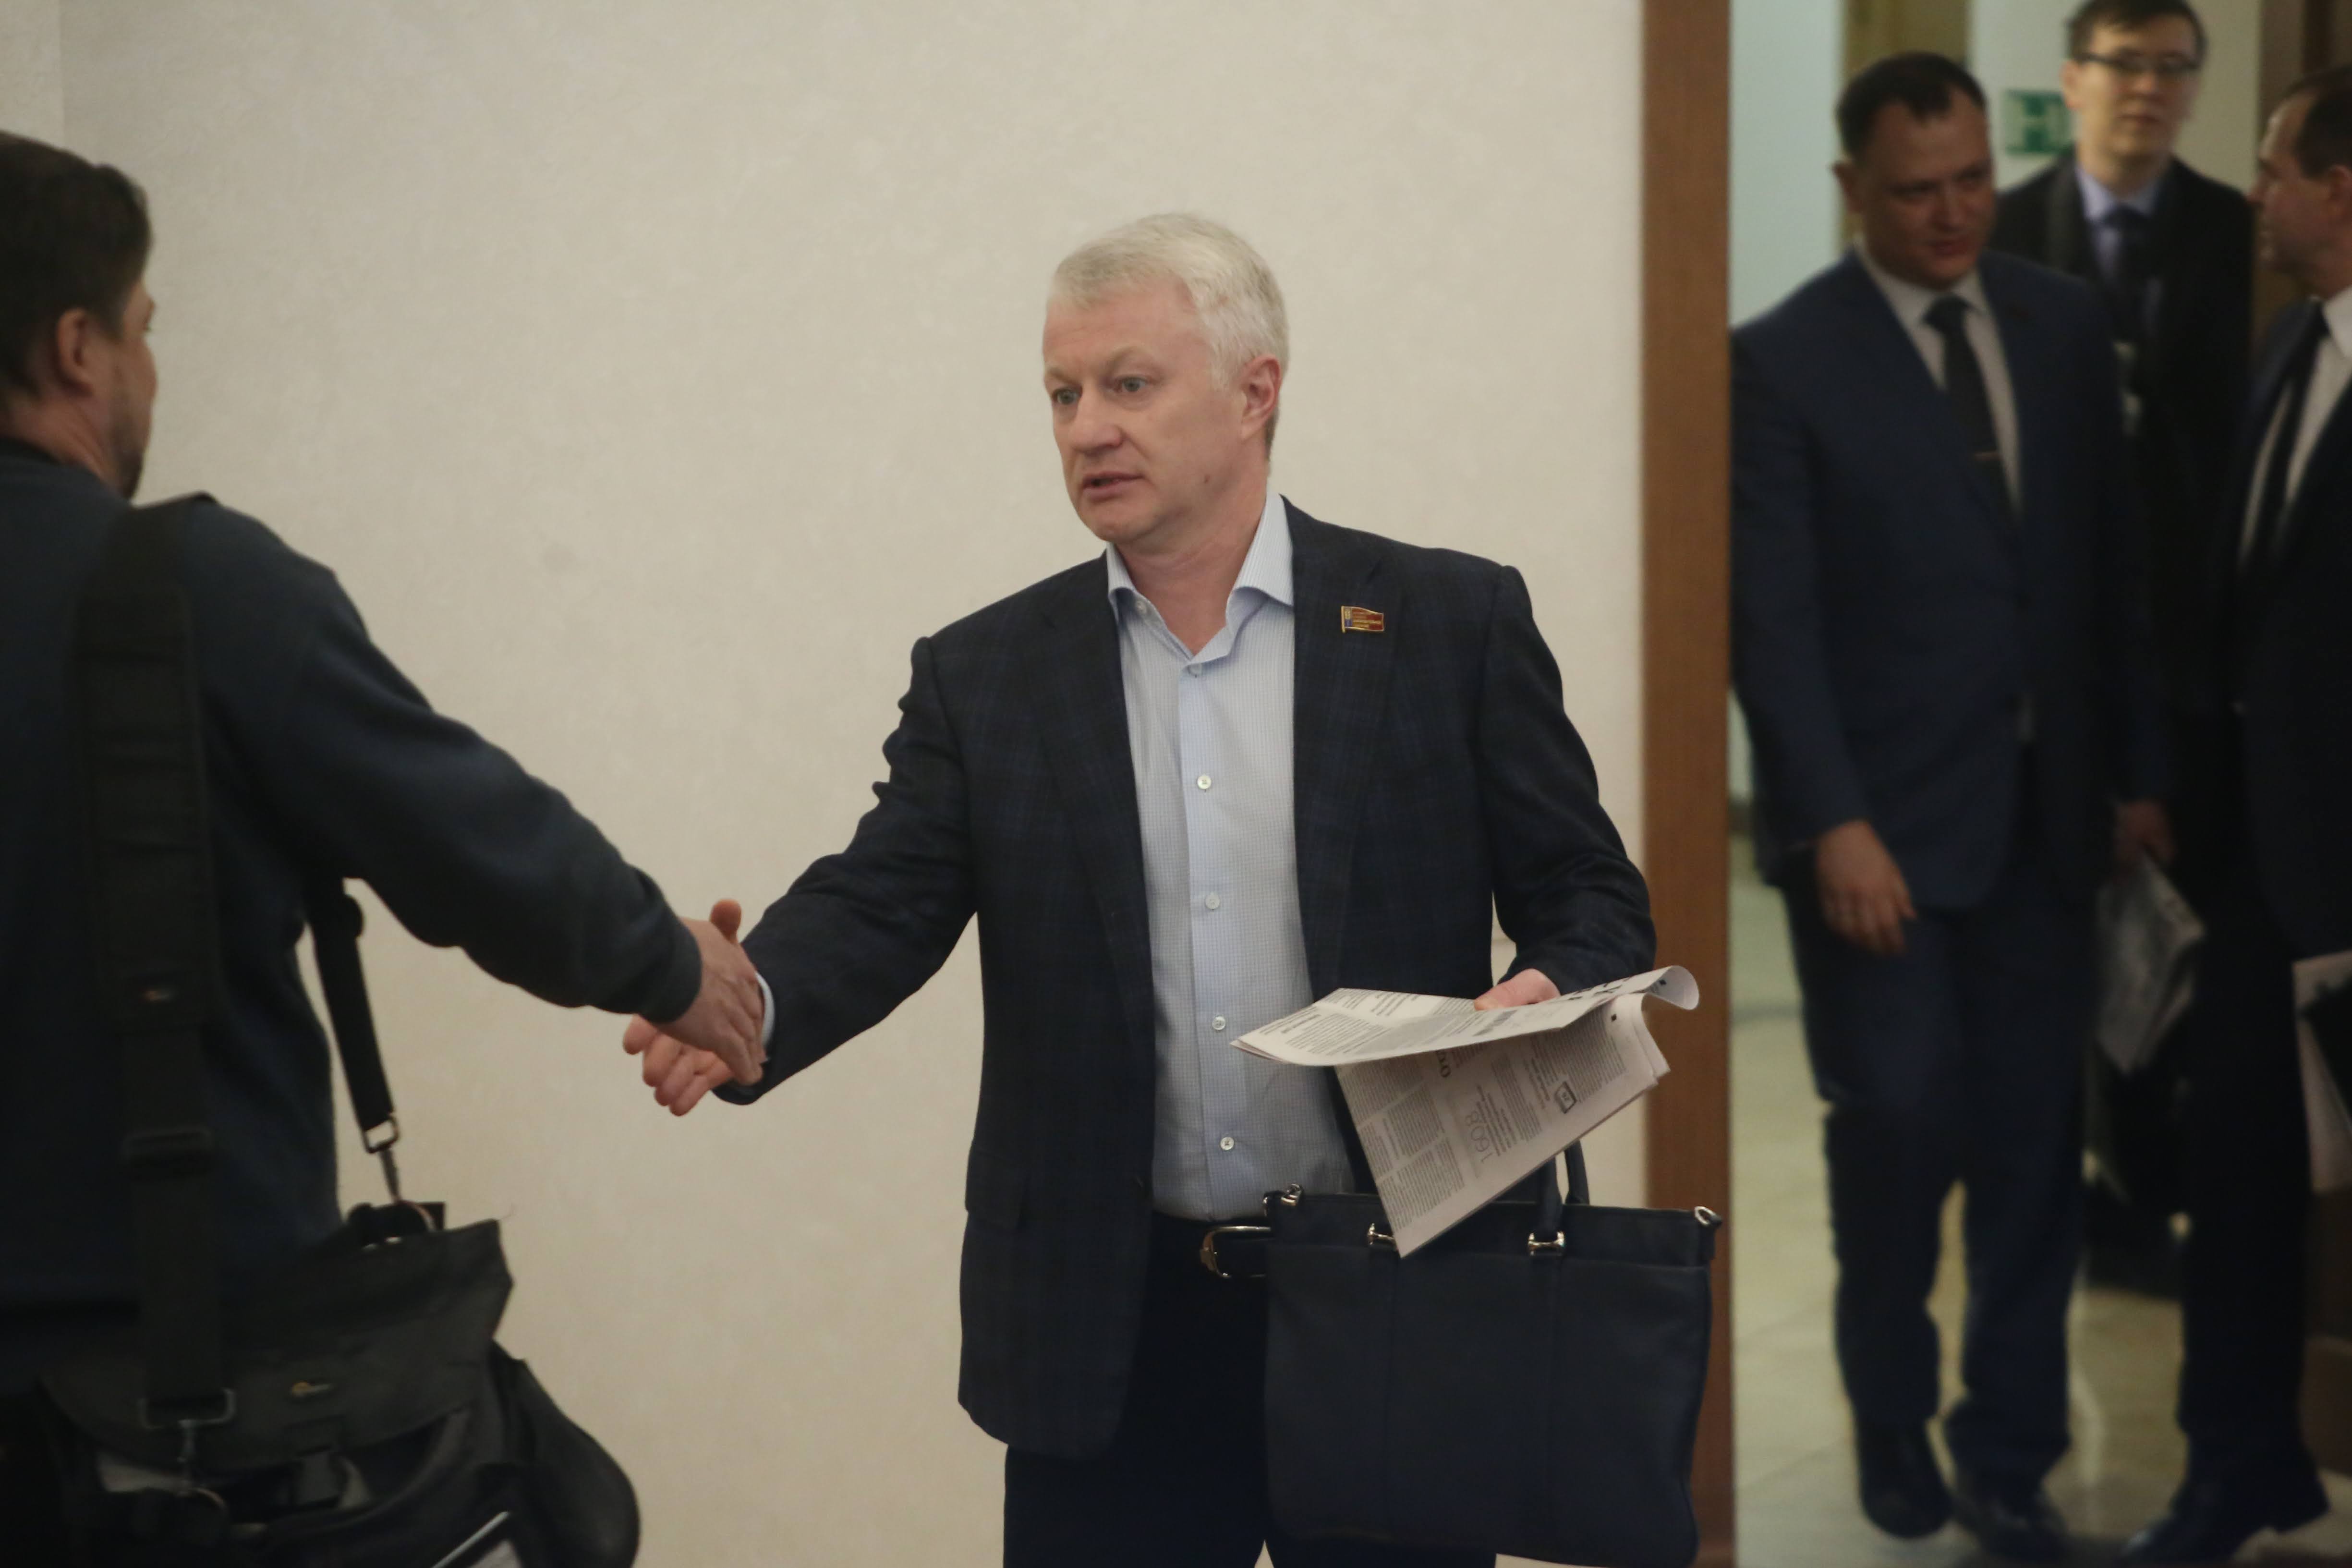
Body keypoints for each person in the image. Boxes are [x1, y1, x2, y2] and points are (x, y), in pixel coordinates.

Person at [624, 213, 1654, 1568]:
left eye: (1128, 384)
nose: (1087, 429)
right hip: (1111, 1324)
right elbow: (881, 899)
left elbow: (1590, 893)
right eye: (1062, 395)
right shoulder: (991, 673)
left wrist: (1541, 991)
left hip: (1389, 1298)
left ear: (1254, 390)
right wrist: (743, 998)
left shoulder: (1445, 624)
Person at [0, 134, 766, 1550]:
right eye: (142, 330)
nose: (150, 372)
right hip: (168, 1433)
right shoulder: (184, 591)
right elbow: (470, 836)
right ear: (76, 349)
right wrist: (676, 968)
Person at [1732, 55, 2168, 1563]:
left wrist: (2137, 772)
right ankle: (1887, 1416)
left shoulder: (2058, 322)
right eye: (1916, 190)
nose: (1951, 213)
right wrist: (1830, 823)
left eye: (1972, 180)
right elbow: (1772, 625)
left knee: (2035, 1163)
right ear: (1851, 188)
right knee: (1897, 1135)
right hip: (1881, 846)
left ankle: (2010, 1457)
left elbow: (2111, 566)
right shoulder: (1781, 359)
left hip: (2048, 833)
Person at [2116, 67, 2352, 1566]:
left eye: (2272, 169)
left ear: (2339, 188)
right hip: (2260, 869)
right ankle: (2239, 1468)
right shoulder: (2287, 348)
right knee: (2240, 1184)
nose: (2252, 193)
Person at [1990, 0, 2251, 1297]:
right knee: (2046, 954)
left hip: (2201, 661)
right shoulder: (1997, 228)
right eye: (2122, 65)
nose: (2146, 88)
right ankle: (2064, 1191)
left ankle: (2152, 1189)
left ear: (2193, 86)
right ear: (2073, 80)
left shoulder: (2243, 235)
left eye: (2170, 68)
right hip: (2033, 668)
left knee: (2179, 941)